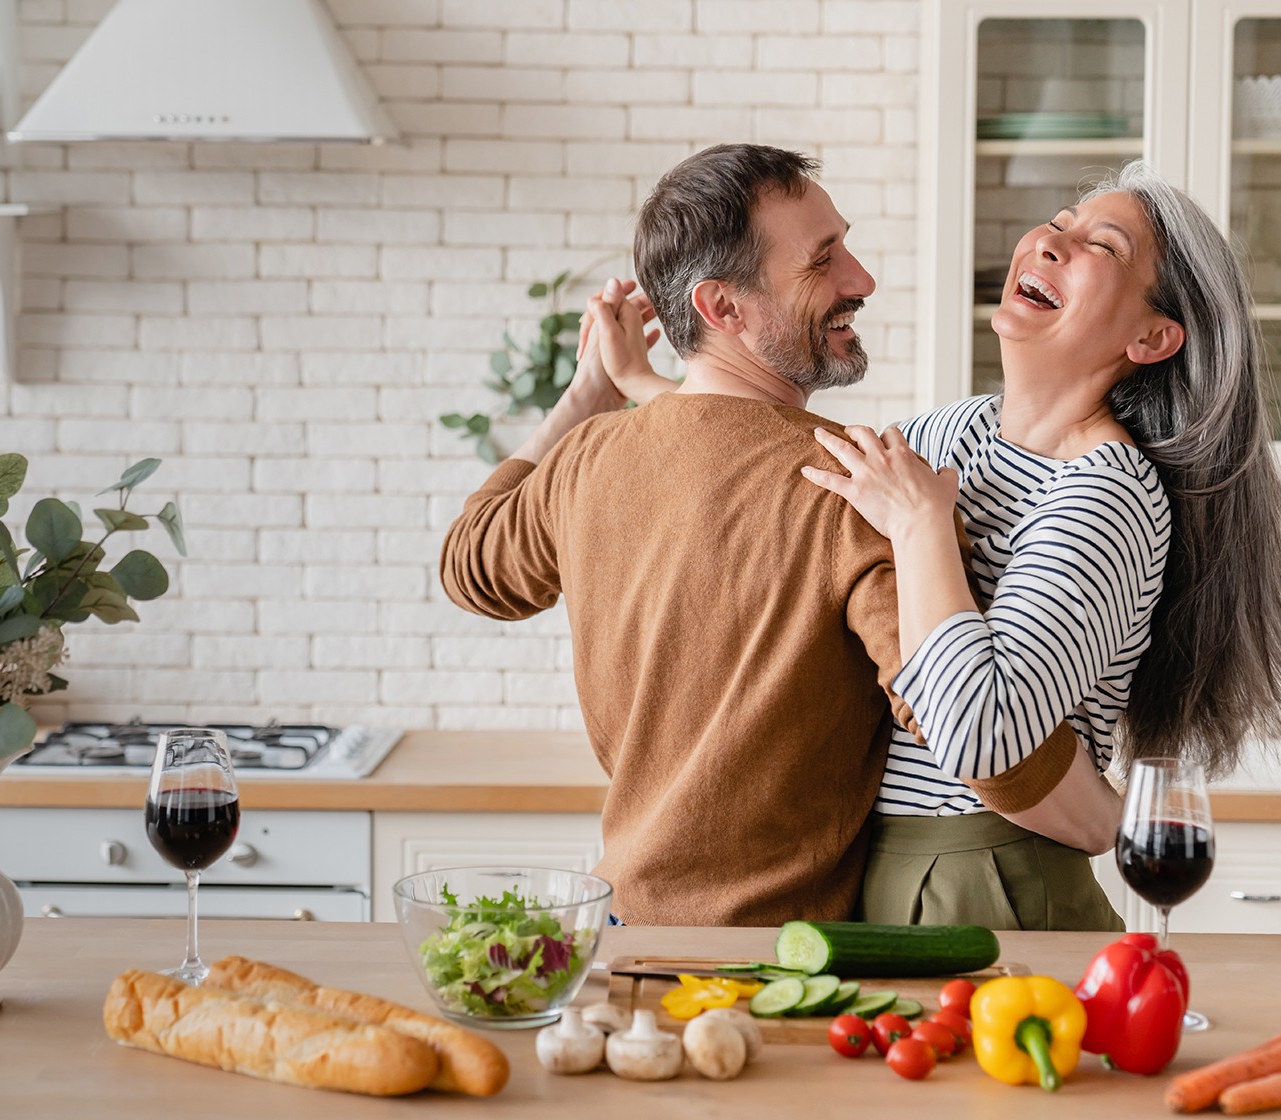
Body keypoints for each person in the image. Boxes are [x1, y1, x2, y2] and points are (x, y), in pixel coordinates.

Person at [589, 160, 1281, 929]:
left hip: (991, 879)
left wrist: (922, 530)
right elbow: (787, 461)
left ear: (1152, 337)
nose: (1052, 244)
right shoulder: (960, 430)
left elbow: (984, 736)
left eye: (1102, 247)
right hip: (883, 871)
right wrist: (644, 383)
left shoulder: (1105, 494)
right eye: (1057, 224)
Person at [440, 144, 1067, 926]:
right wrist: (1112, 816)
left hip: (621, 936)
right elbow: (982, 739)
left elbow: (469, 565)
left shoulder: (587, 460)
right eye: (823, 262)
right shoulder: (848, 485)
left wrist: (583, 397)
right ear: (723, 308)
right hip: (773, 967)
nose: (861, 280)